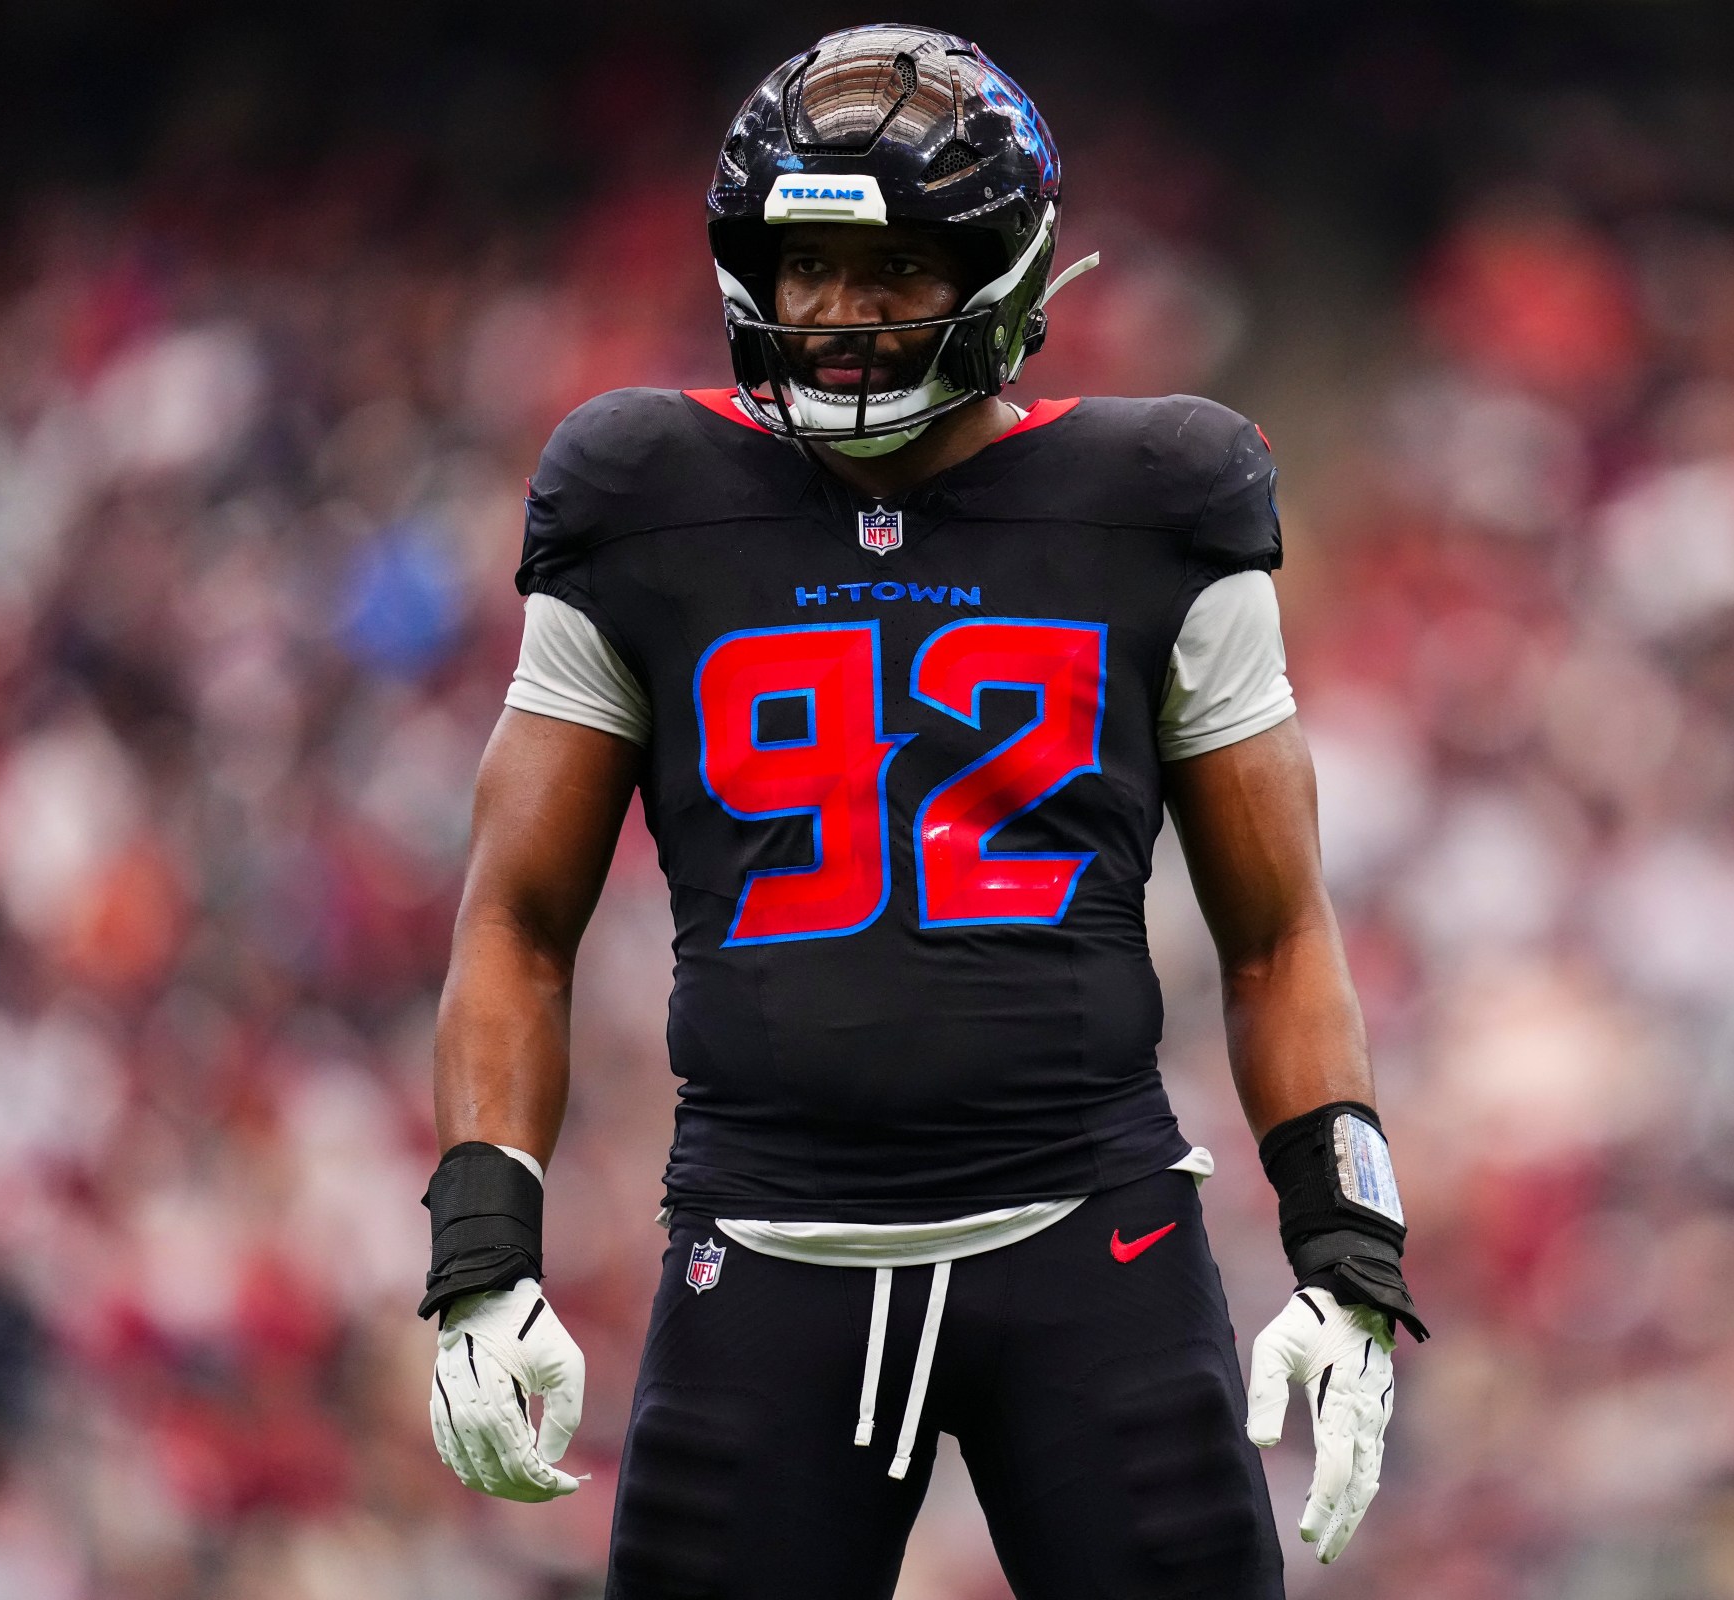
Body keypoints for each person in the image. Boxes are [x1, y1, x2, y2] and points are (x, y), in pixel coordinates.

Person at [420, 25, 1426, 1597]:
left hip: (1093, 1239)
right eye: (804, 268)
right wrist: (484, 1243)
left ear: (1006, 272)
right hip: (764, 1252)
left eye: (887, 271)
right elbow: (517, 915)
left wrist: (1347, 1242)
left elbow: (1280, 930)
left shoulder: (1161, 499)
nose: (834, 316)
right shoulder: (642, 492)